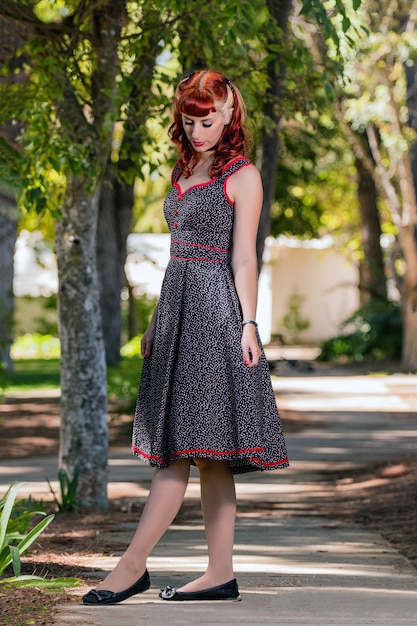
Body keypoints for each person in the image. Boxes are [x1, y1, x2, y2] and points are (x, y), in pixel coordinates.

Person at [83, 69, 289, 606]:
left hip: (216, 316)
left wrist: (249, 323)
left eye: (207, 120)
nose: (197, 130)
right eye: (190, 121)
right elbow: (176, 259)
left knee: (183, 453)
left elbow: (244, 257)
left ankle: (131, 568)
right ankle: (219, 574)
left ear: (228, 116)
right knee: (209, 456)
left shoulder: (242, 175)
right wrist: (155, 322)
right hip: (176, 313)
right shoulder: (185, 165)